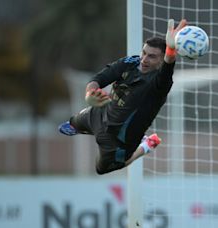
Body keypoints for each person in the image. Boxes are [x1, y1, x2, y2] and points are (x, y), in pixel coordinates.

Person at [58, 19, 187, 175]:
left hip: (118, 141)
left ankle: (145, 146)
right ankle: (87, 125)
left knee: (102, 169)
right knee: (67, 127)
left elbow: (167, 69)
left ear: (161, 60)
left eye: (152, 56)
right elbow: (98, 79)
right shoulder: (130, 62)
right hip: (99, 113)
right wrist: (89, 96)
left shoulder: (159, 84)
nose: (144, 59)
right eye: (144, 53)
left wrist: (171, 52)